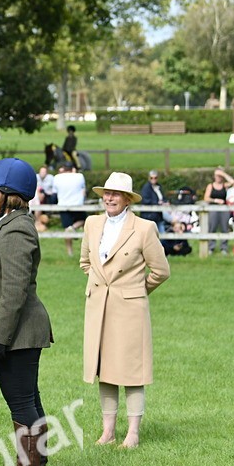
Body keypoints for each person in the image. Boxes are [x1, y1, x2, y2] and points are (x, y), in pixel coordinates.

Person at [0, 158, 53, 466]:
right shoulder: (7, 222)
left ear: (10, 195)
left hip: (17, 332)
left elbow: (15, 289)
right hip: (15, 331)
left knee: (22, 402)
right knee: (28, 399)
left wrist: (0, 338)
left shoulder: (17, 228)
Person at [80, 171, 170, 449]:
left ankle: (132, 432)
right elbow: (85, 262)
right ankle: (107, 432)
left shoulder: (144, 228)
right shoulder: (92, 224)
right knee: (104, 370)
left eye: (115, 194)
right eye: (106, 193)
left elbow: (161, 270)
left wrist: (136, 289)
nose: (109, 198)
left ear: (127, 199)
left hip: (129, 308)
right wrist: (99, 284)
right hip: (98, 307)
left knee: (131, 370)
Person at [53, 162, 87, 256]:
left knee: (67, 229)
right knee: (83, 220)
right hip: (77, 205)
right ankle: (73, 228)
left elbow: (54, 192)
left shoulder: (57, 177)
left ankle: (70, 252)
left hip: (63, 206)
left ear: (63, 168)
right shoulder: (79, 176)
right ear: (73, 169)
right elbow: (83, 190)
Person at [202, 168, 234, 254]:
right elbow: (206, 198)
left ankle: (224, 247)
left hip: (224, 209)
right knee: (212, 227)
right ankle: (211, 247)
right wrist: (215, 200)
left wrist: (223, 174)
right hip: (213, 209)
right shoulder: (210, 186)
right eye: (217, 176)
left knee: (224, 228)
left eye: (220, 176)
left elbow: (233, 182)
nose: (218, 178)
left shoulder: (224, 185)